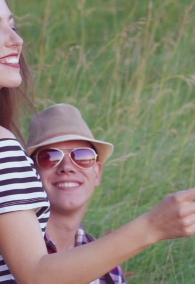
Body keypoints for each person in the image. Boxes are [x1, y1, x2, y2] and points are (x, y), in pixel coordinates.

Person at [0, 0, 195, 284]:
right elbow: (36, 276)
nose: (16, 40)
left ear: (99, 170)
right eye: (49, 156)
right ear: (32, 169)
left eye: (12, 25)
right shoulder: (3, 146)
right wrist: (152, 226)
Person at [26, 103, 126, 284]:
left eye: (82, 156)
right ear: (31, 173)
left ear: (97, 173)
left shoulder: (108, 269)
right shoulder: (11, 252)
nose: (67, 167)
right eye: (49, 157)